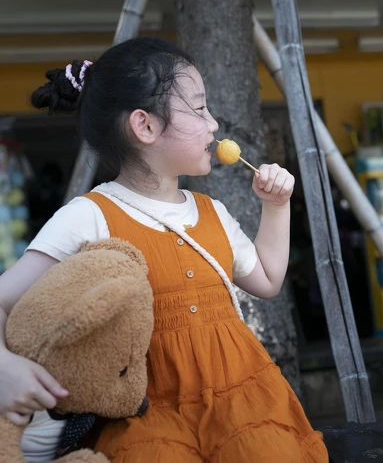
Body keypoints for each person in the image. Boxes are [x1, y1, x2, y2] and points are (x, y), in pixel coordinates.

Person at [0, 37, 328, 463]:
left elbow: (267, 279)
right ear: (146, 126)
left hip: (242, 403)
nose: (214, 124)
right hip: (145, 415)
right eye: (199, 108)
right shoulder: (88, 216)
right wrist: (5, 367)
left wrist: (277, 206)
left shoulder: (212, 212)